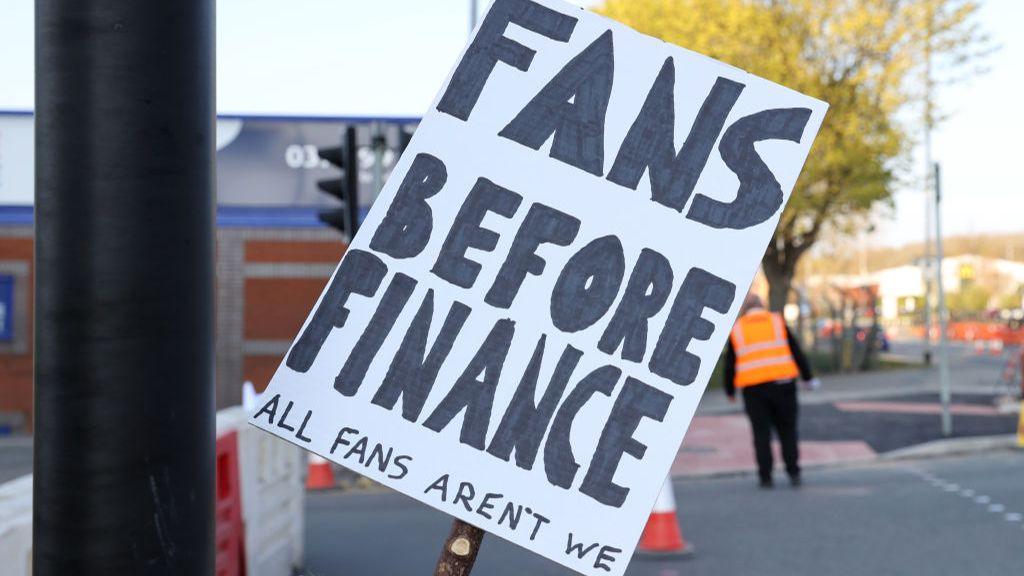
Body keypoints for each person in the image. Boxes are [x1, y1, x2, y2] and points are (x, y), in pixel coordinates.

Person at [724, 294, 820, 488]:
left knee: (761, 434)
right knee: (788, 430)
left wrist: (730, 390)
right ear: (762, 305)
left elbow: (730, 363)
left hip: (753, 390)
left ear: (744, 308)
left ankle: (765, 477)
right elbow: (796, 351)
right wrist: (808, 377)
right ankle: (793, 472)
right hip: (783, 386)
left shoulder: (737, 329)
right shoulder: (777, 322)